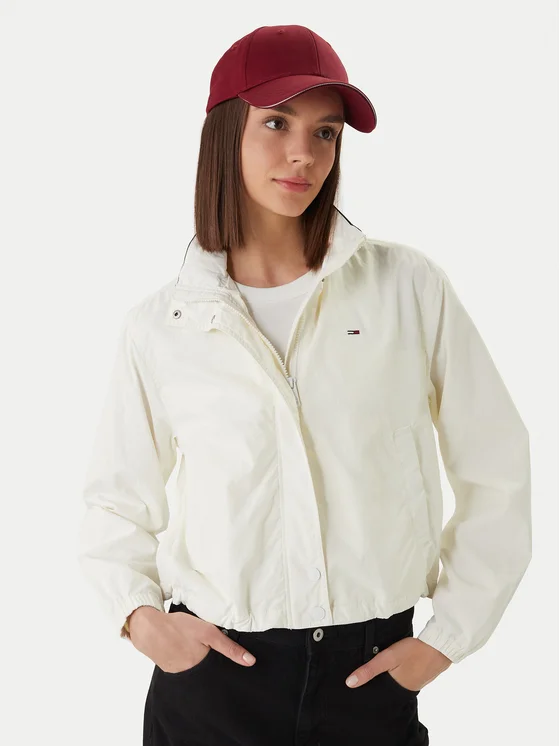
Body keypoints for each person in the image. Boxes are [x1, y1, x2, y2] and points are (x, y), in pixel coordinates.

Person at [77, 24, 532, 746]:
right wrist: (139, 618)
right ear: (225, 133)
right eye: (276, 123)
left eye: (325, 132)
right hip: (212, 683)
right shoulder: (163, 325)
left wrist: (447, 637)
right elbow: (114, 499)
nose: (304, 154)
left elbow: (496, 463)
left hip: (370, 677)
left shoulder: (406, 289)